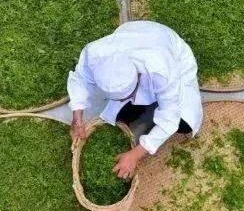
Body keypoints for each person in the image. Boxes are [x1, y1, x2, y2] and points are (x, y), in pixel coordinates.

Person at [68, 21, 202, 179]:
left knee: (184, 124)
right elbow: (80, 78)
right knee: (121, 117)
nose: (130, 100)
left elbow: (169, 119)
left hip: (172, 52)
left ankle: (151, 106)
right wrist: (77, 120)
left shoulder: (162, 70)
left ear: (138, 76)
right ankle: (140, 107)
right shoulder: (96, 54)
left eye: (130, 96)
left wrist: (135, 155)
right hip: (133, 31)